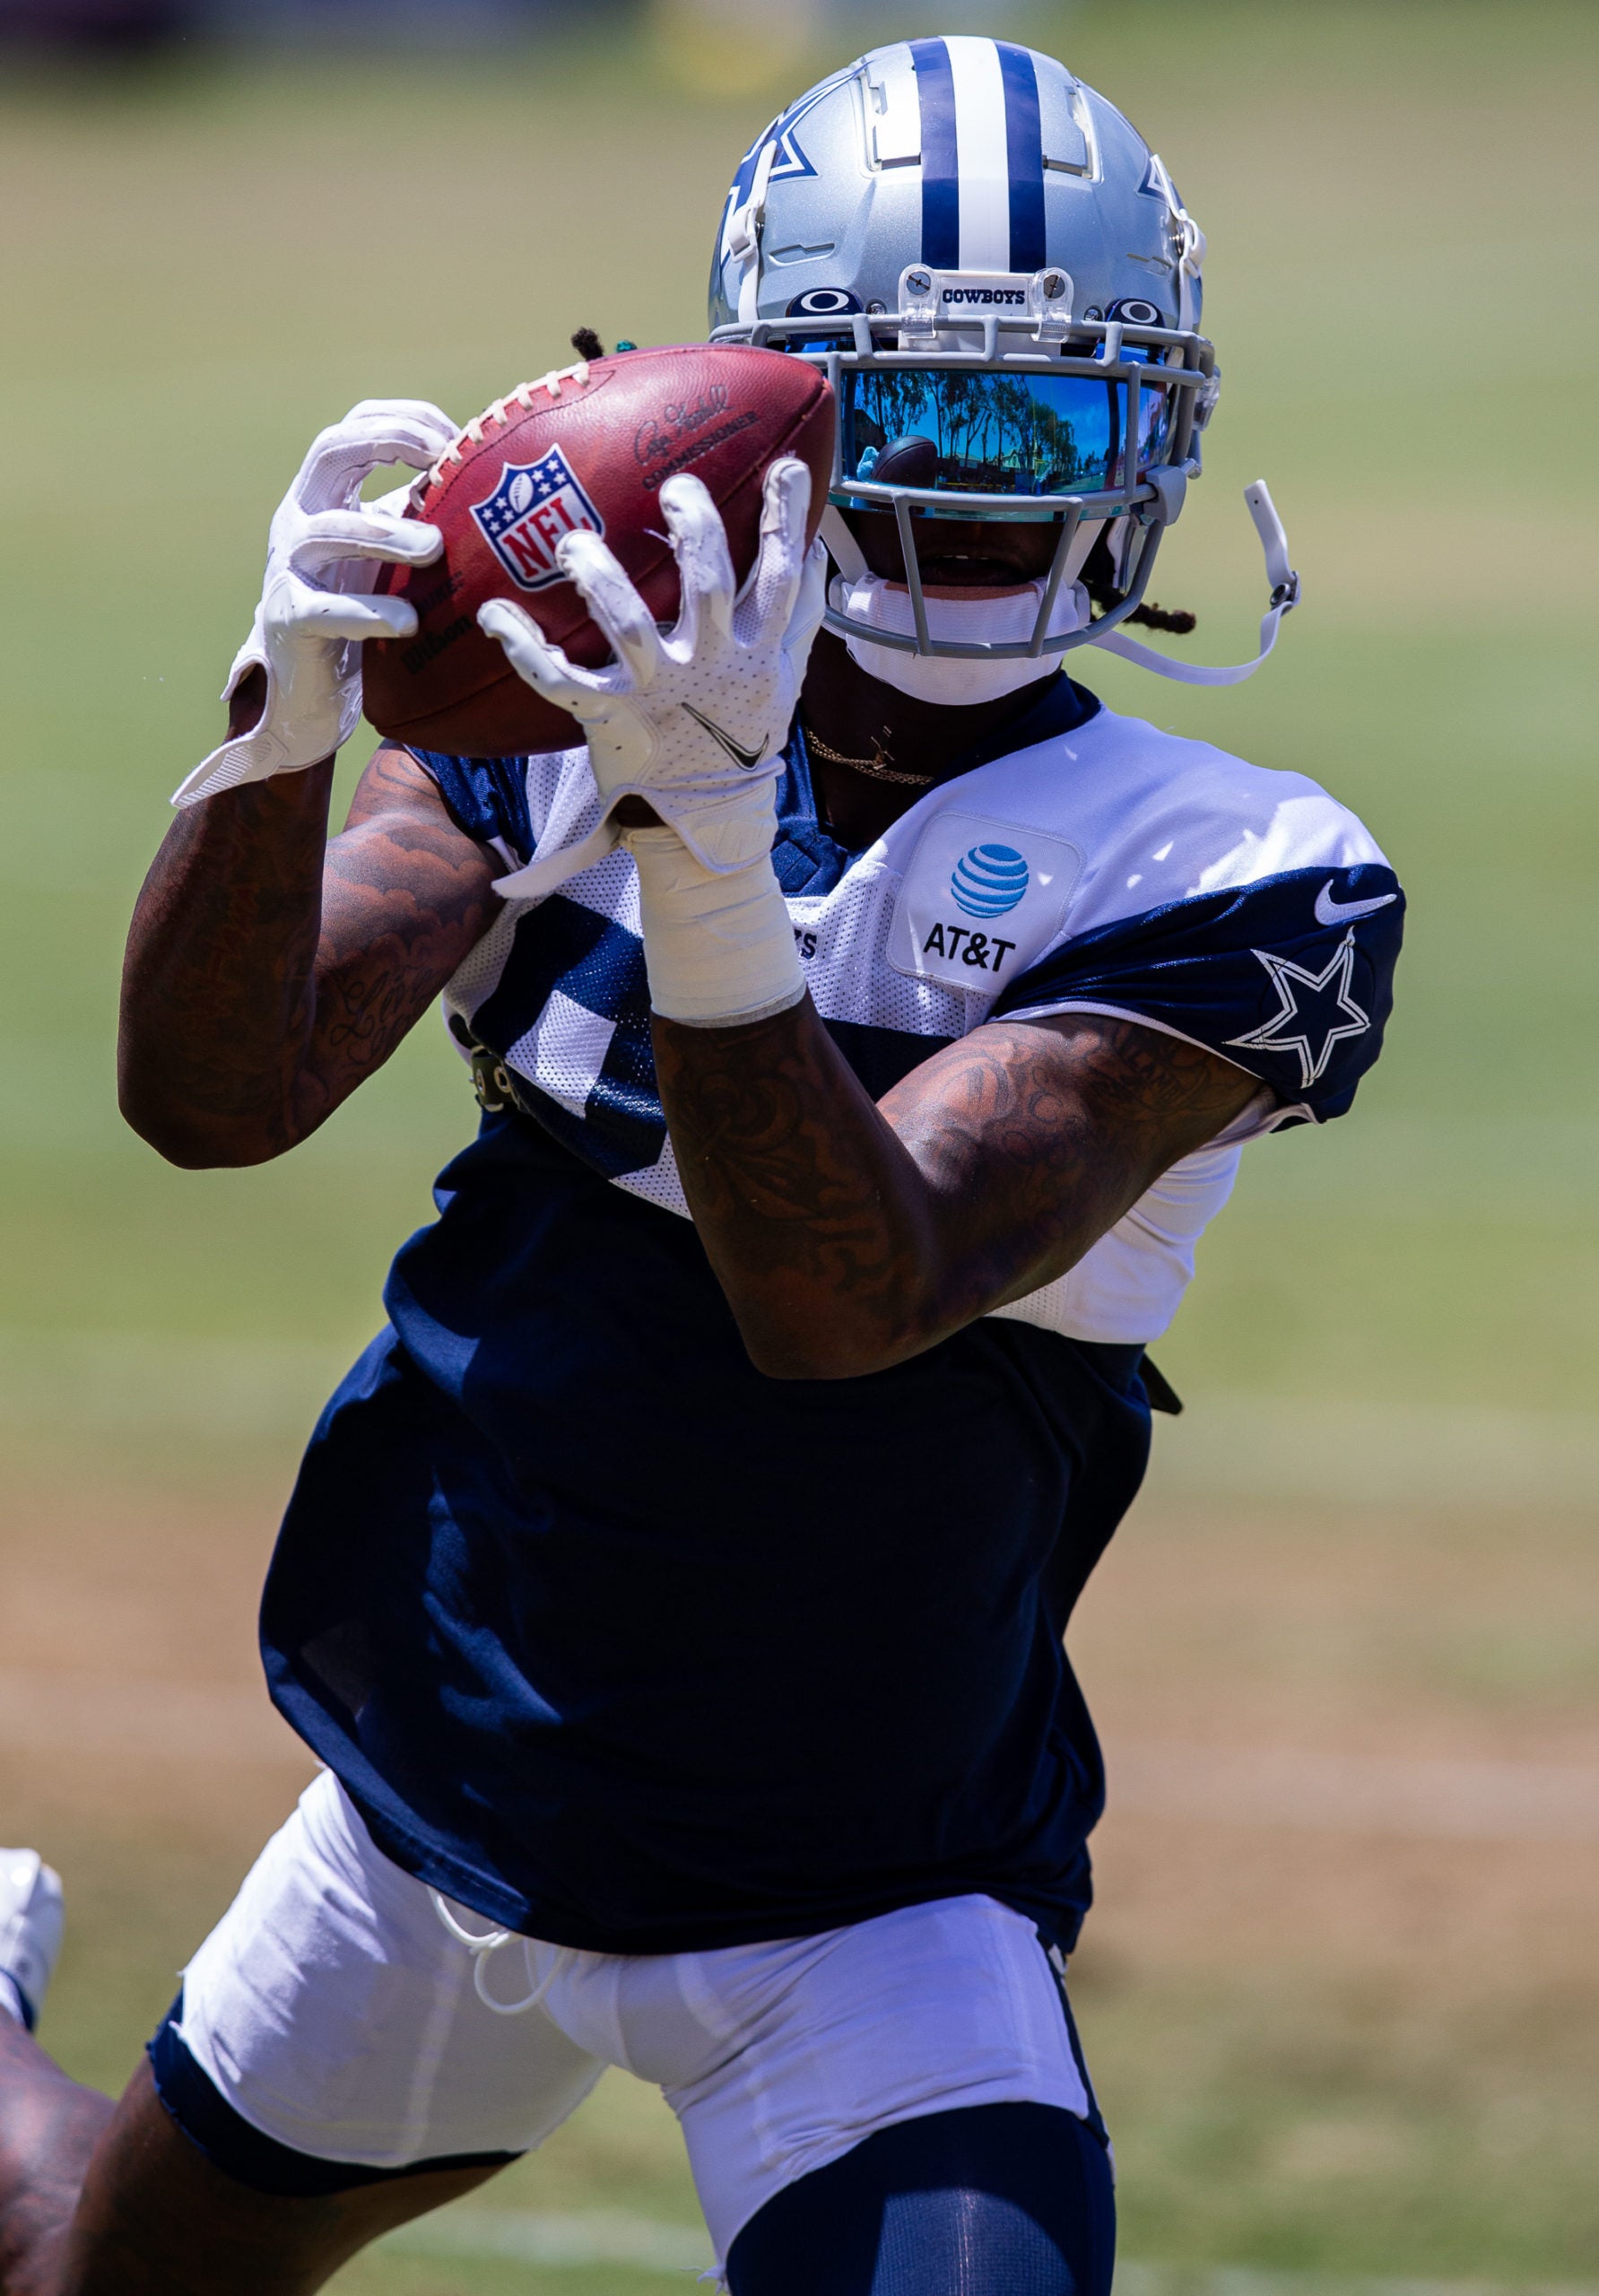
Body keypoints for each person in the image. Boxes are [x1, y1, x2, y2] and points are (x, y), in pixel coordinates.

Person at [0, 36, 1403, 2296]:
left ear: (1148, 438)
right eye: (921, 419)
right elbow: (215, 1094)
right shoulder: (544, 727)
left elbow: (845, 1294)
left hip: (862, 1890)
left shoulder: (1238, 869)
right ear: (781, 412)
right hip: (444, 1792)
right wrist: (277, 721)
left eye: (1039, 424)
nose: (975, 495)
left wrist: (712, 861)